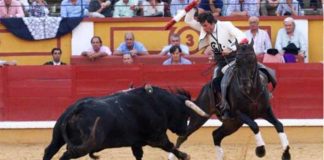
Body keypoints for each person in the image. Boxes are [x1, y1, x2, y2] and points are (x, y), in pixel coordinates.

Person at [185, 7, 248, 119]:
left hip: (235, 58)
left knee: (228, 80)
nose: (203, 29)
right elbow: (188, 21)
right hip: (221, 61)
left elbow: (242, 37)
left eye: (204, 25)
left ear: (211, 22)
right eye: (202, 26)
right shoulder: (205, 28)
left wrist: (231, 48)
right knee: (214, 84)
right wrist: (192, 6)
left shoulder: (226, 25)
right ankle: (223, 107)